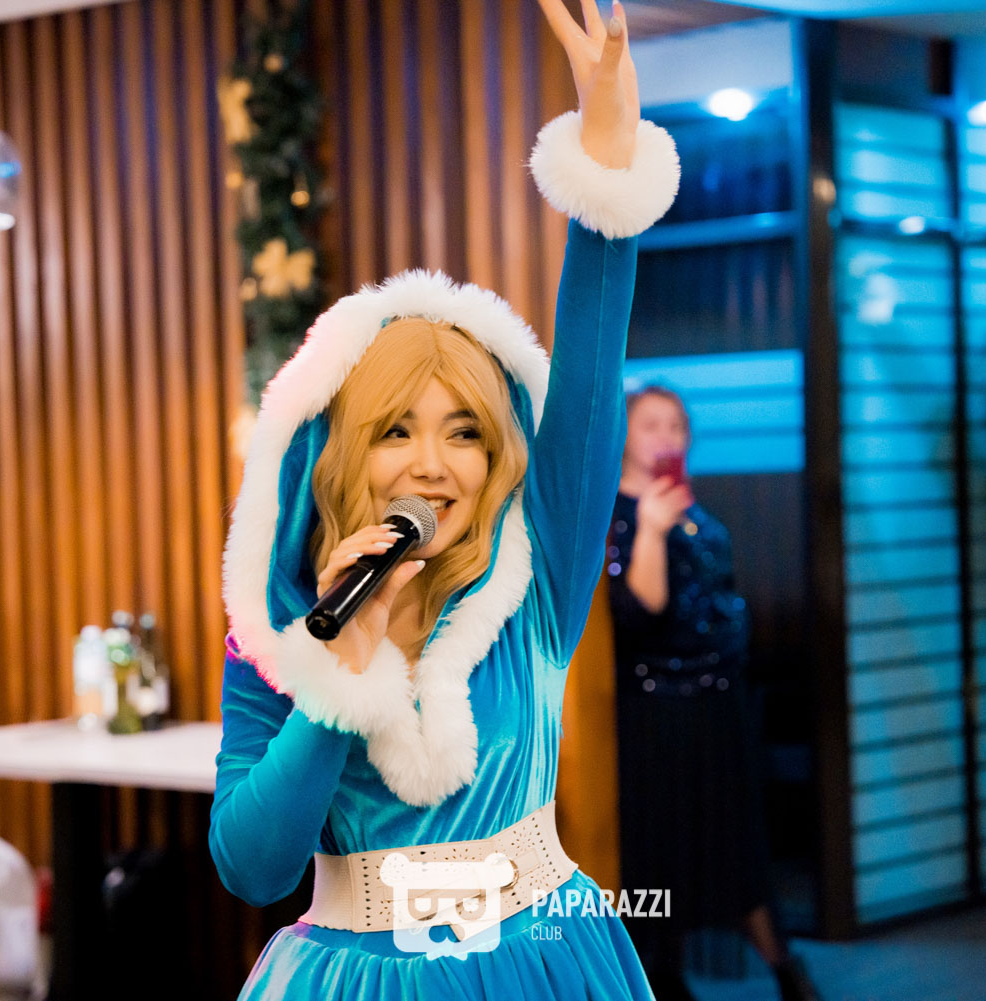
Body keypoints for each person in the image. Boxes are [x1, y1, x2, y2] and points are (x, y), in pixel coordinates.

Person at [210, 2, 682, 996]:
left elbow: (592, 372)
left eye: (465, 431)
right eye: (397, 431)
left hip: (545, 961)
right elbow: (253, 867)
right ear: (345, 455)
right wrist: (339, 670)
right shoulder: (280, 625)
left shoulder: (535, 576)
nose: (435, 464)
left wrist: (606, 166)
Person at [607, 386, 821, 1001]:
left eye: (677, 425)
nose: (667, 436)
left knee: (736, 844)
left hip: (721, 702)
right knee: (662, 849)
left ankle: (784, 968)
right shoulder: (616, 514)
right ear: (624, 434)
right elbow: (642, 612)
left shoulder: (693, 506)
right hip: (657, 709)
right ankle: (663, 976)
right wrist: (651, 529)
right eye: (651, 424)